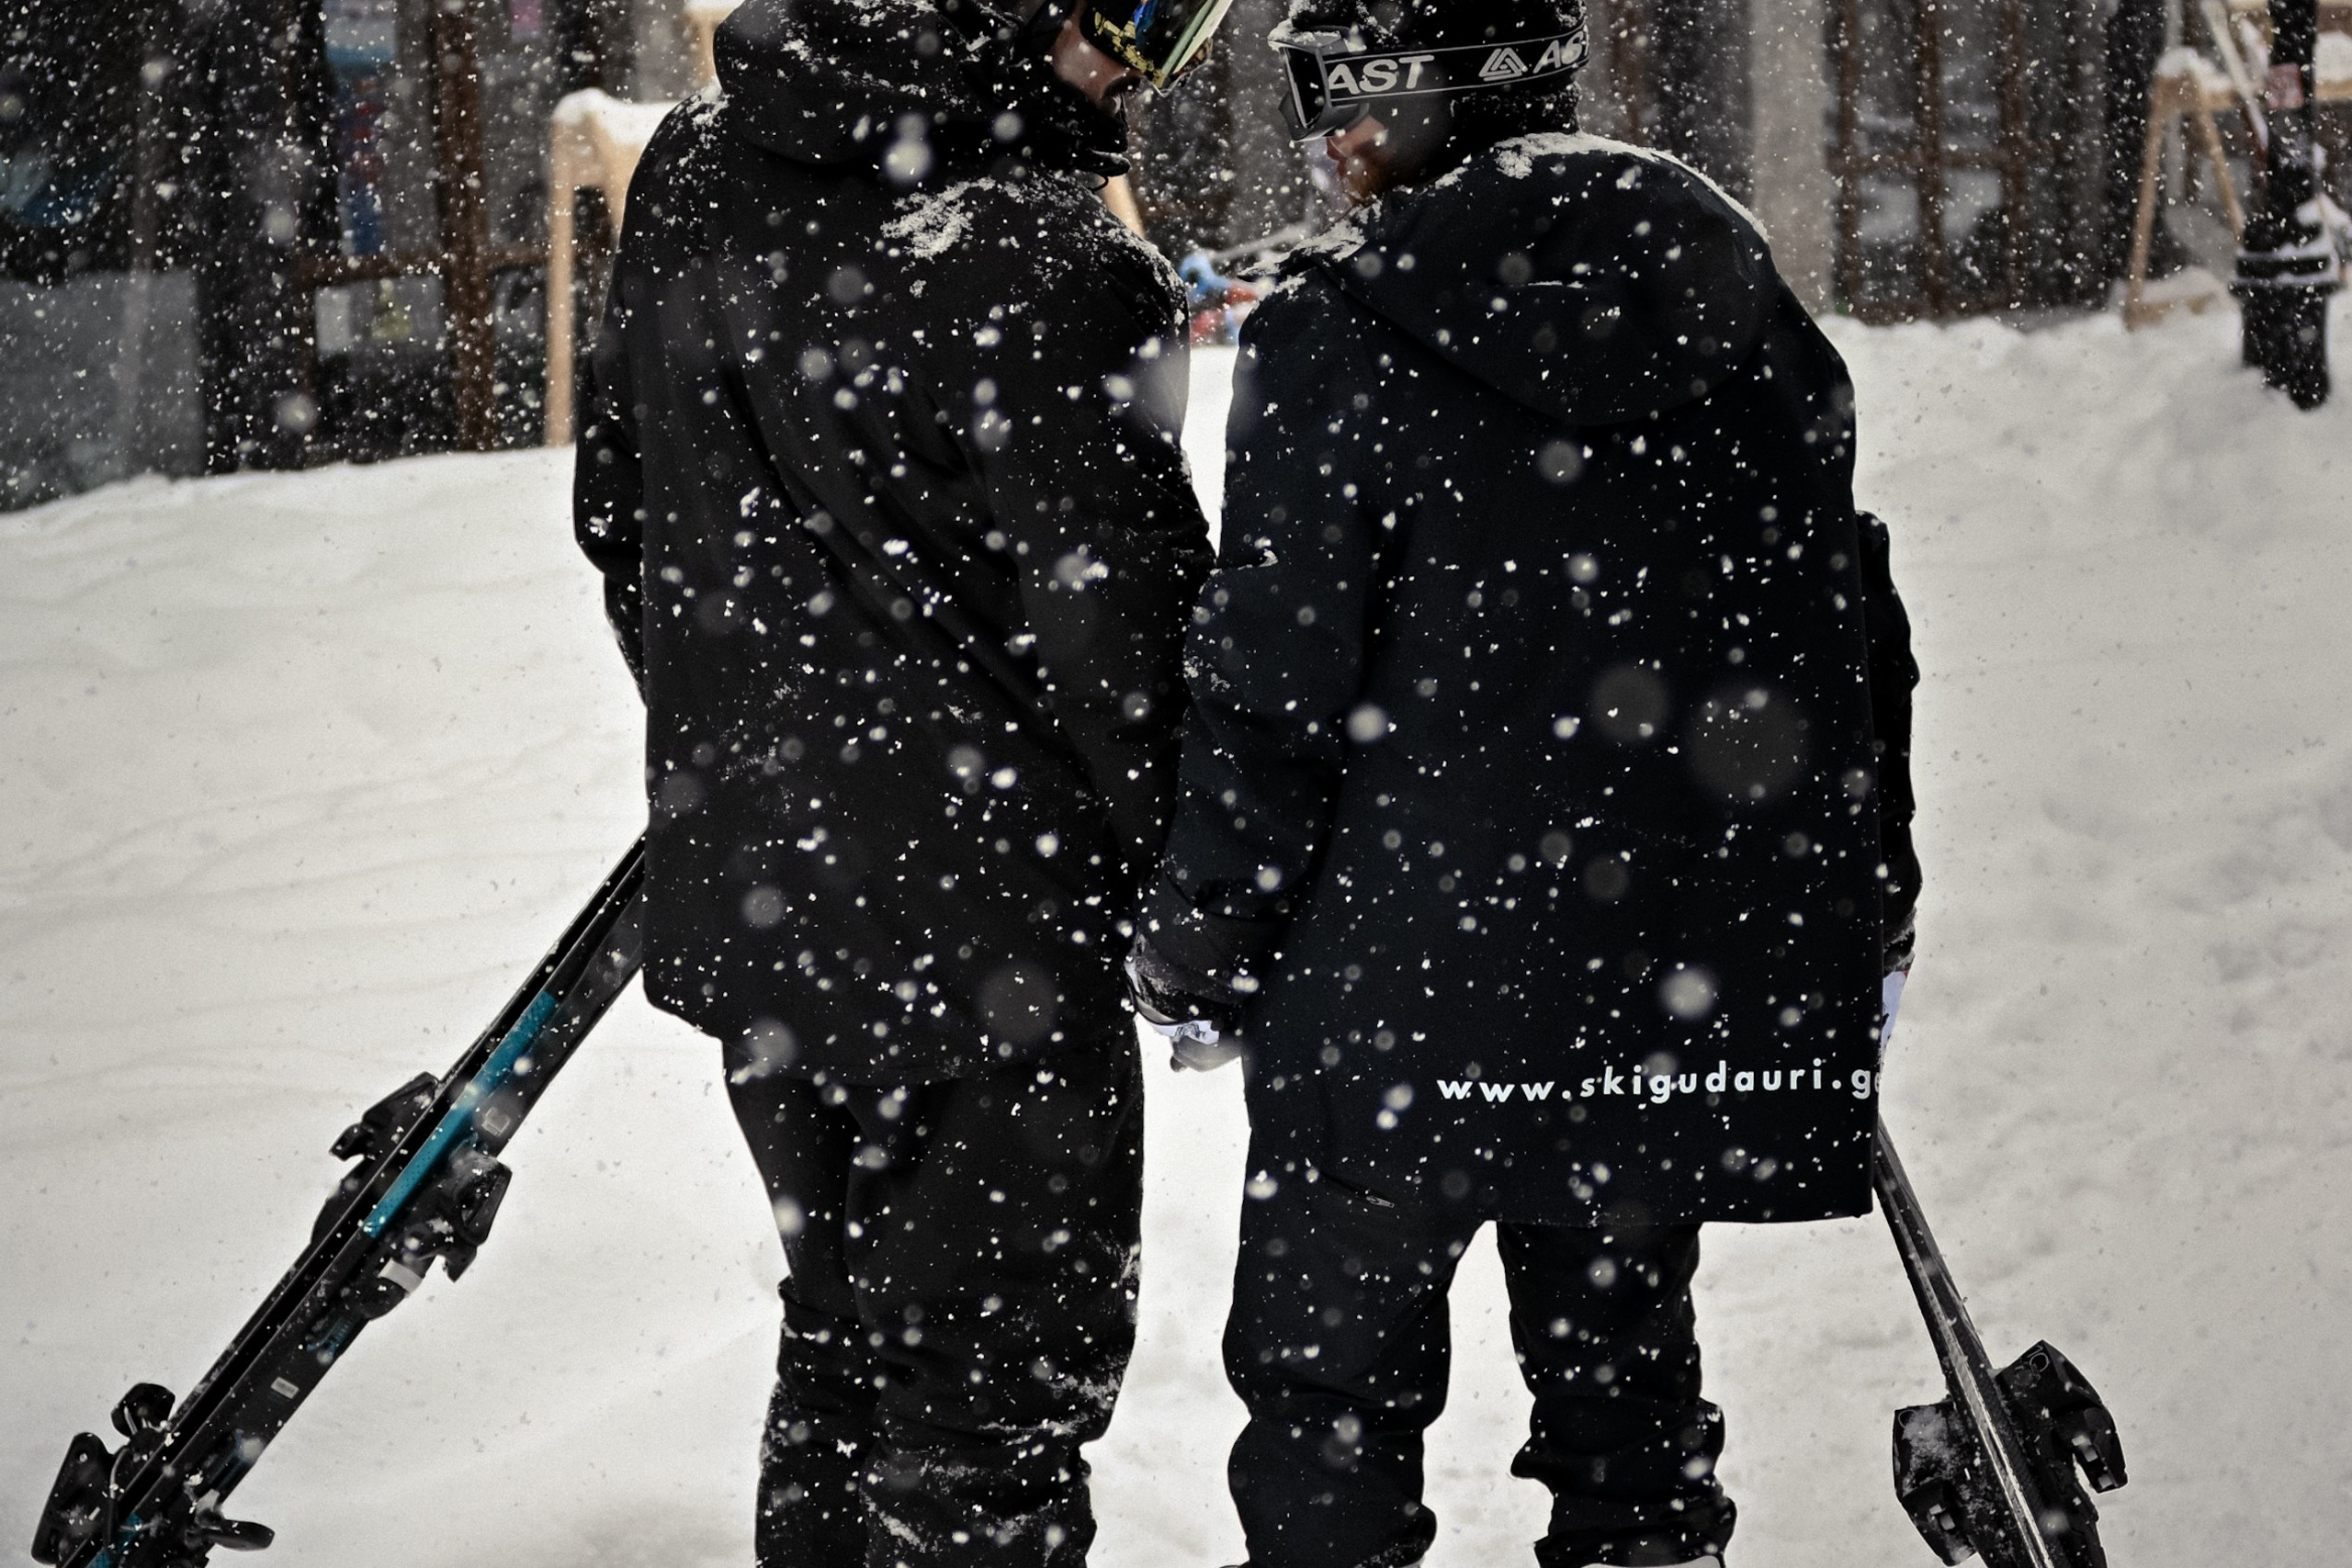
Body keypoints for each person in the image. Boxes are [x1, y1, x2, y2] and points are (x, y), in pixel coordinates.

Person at [1124, 3, 1922, 1565]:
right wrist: (1864, 901)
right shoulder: (1738, 301)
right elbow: (1846, 644)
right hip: (1651, 979)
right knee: (1628, 1404)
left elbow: (1273, 690)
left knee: (1330, 1413)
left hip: (1397, 993)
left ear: (1429, 95)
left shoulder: (1335, 335)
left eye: (1344, 99)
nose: (1328, 144)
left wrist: (1206, 937)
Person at [572, 0, 1238, 1562]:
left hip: (767, 911)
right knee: (987, 1421)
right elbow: (1132, 650)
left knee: (842, 1344)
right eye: (1131, 22)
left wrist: (761, 753)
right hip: (999, 945)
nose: (1140, 73)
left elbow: (624, 518)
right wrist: (1207, 900)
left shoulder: (696, 163)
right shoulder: (1057, 260)